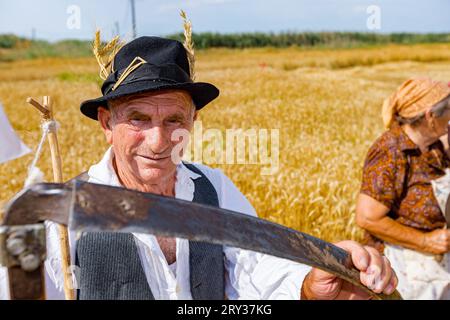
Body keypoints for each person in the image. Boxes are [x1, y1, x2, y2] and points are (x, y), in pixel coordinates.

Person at [2, 36, 397, 300]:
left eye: (174, 120)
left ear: (192, 122)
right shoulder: (63, 214)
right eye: (138, 119)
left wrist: (312, 285)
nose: (158, 143)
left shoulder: (213, 188)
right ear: (107, 123)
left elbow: (255, 271)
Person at [356, 77, 450, 300]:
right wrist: (426, 241)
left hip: (430, 266)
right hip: (402, 268)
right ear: (430, 116)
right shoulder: (391, 151)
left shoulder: (432, 144)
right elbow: (367, 218)